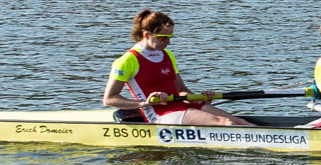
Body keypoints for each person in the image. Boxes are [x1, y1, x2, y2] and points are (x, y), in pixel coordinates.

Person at [101, 9, 252, 127]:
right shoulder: (127, 61)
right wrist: (144, 103)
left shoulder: (167, 55)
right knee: (226, 124)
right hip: (159, 113)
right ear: (146, 34)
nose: (168, 42)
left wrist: (202, 99)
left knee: (237, 121)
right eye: (163, 38)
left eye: (170, 37)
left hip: (181, 105)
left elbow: (180, 89)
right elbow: (109, 99)